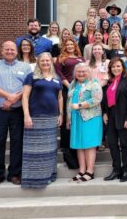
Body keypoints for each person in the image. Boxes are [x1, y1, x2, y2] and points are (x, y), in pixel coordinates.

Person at [0, 41, 32, 187]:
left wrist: (14, 99)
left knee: (17, 144)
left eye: (12, 49)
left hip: (17, 111)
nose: (10, 51)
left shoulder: (25, 67)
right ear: (2, 51)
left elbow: (29, 85)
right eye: (7, 49)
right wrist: (7, 96)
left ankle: (15, 174)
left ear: (17, 52)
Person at [21, 52, 63, 188]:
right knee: (34, 150)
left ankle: (48, 176)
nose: (45, 63)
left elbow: (60, 97)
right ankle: (33, 179)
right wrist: (26, 116)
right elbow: (25, 97)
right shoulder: (32, 77)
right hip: (36, 118)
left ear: (51, 62)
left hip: (51, 118)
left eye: (48, 61)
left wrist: (61, 114)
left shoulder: (57, 77)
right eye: (42, 61)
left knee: (50, 150)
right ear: (38, 62)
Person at [67, 63, 103, 182]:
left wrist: (80, 105)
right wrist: (68, 117)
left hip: (90, 117)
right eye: (78, 72)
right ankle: (82, 170)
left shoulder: (94, 83)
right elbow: (69, 101)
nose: (81, 74)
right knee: (79, 144)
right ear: (75, 73)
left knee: (89, 145)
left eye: (84, 71)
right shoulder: (73, 84)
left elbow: (97, 99)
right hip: (76, 118)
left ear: (88, 72)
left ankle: (90, 171)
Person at [103, 58, 127, 182]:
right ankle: (116, 169)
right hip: (111, 116)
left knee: (125, 144)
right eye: (113, 67)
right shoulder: (110, 82)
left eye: (118, 66)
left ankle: (126, 169)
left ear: (122, 67)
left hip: (123, 117)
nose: (115, 68)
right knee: (112, 144)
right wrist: (105, 112)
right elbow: (106, 100)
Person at [55, 38, 85, 169]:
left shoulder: (81, 58)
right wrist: (69, 85)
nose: (69, 46)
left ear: (75, 45)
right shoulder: (61, 58)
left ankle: (79, 140)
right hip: (68, 89)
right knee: (69, 115)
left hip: (81, 90)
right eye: (67, 44)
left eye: (71, 44)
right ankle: (66, 145)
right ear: (64, 47)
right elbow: (58, 73)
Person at [86, 44, 110, 152]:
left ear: (103, 51)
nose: (97, 51)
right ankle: (93, 141)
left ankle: (102, 141)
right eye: (95, 49)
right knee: (93, 116)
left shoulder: (107, 63)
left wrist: (97, 87)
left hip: (103, 91)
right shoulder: (87, 63)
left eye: (99, 49)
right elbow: (85, 77)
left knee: (102, 115)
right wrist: (93, 89)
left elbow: (107, 77)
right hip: (90, 93)